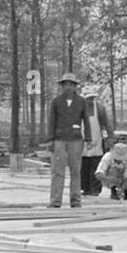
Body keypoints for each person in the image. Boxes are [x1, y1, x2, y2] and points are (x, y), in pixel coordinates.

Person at [45, 72, 92, 208]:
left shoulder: (82, 102)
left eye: (71, 85)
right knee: (57, 171)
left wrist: (88, 139)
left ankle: (76, 201)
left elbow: (86, 121)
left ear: (75, 86)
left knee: (76, 171)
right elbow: (51, 121)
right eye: (66, 85)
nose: (68, 87)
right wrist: (50, 139)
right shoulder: (56, 102)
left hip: (76, 140)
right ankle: (55, 202)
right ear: (62, 86)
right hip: (59, 140)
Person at [79, 83, 112, 195]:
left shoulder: (99, 108)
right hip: (82, 143)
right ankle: (86, 188)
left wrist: (109, 138)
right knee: (84, 167)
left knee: (96, 166)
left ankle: (95, 189)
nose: (90, 100)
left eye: (92, 98)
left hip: (97, 141)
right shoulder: (79, 108)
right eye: (88, 98)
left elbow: (107, 124)